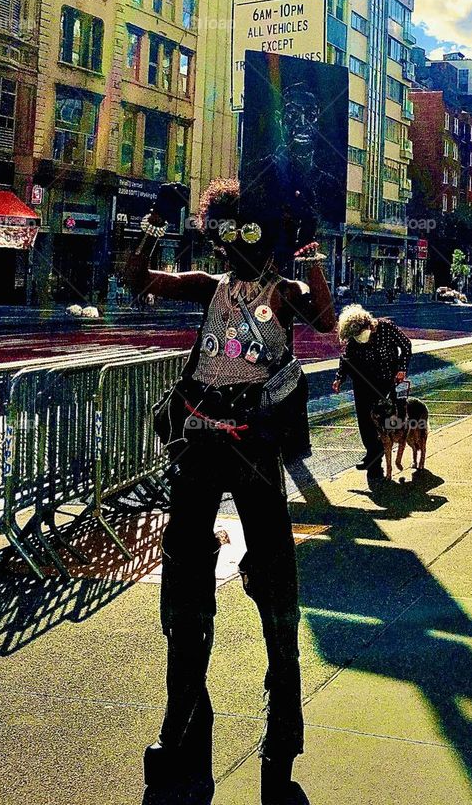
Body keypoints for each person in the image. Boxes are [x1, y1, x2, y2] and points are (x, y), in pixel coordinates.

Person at [125, 178, 335, 805]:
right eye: (231, 232)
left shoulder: (284, 290)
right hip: (199, 435)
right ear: (219, 235)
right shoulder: (210, 286)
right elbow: (140, 279)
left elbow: (324, 321)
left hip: (254, 441)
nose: (239, 245)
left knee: (273, 575)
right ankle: (183, 718)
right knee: (184, 569)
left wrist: (309, 250)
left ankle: (282, 727)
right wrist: (155, 221)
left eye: (254, 232)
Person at [331, 305, 412, 479]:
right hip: (361, 381)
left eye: (360, 334)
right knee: (365, 420)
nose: (359, 339)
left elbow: (406, 345)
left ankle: (386, 450)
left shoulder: (386, 328)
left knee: (386, 420)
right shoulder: (354, 338)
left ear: (369, 325)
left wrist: (402, 368)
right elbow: (346, 358)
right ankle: (373, 457)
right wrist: (339, 378)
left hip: (384, 380)